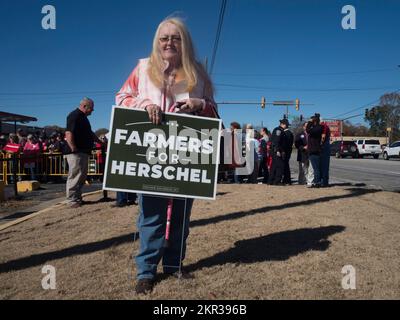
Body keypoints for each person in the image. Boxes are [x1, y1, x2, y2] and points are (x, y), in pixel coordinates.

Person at [115, 17, 217, 294]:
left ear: (185, 42)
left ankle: (173, 267)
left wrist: (201, 104)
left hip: (186, 153)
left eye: (176, 37)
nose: (169, 42)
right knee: (150, 216)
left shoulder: (198, 73)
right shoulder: (142, 68)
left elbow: (215, 113)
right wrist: (144, 102)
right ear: (157, 42)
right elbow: (121, 98)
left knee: (182, 216)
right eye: (164, 38)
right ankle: (146, 272)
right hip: (149, 154)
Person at [65, 97, 101, 208]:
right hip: (76, 152)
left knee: (81, 176)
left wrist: (100, 142)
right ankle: (72, 200)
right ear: (84, 106)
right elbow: (68, 132)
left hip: (83, 151)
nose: (92, 111)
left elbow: (90, 133)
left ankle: (77, 198)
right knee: (75, 176)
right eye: (91, 108)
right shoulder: (74, 115)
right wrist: (73, 148)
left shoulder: (83, 118)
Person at [268, 119, 289, 185]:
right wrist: (277, 150)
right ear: (282, 124)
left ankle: (271, 181)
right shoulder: (278, 130)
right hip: (276, 150)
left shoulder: (280, 130)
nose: (287, 126)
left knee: (274, 166)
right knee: (280, 165)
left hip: (276, 150)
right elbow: (276, 141)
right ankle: (277, 181)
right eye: (286, 124)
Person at [306, 114, 323, 188]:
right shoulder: (316, 128)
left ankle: (317, 182)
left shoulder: (318, 128)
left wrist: (309, 122)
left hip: (315, 150)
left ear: (315, 121)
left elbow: (308, 130)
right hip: (313, 150)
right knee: (315, 167)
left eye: (312, 121)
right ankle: (316, 182)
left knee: (316, 168)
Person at [320, 120, 331, 187]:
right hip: (326, 147)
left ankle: (324, 182)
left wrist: (320, 143)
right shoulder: (325, 126)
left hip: (324, 147)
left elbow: (323, 137)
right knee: (324, 166)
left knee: (323, 166)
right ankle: (324, 182)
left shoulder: (323, 126)